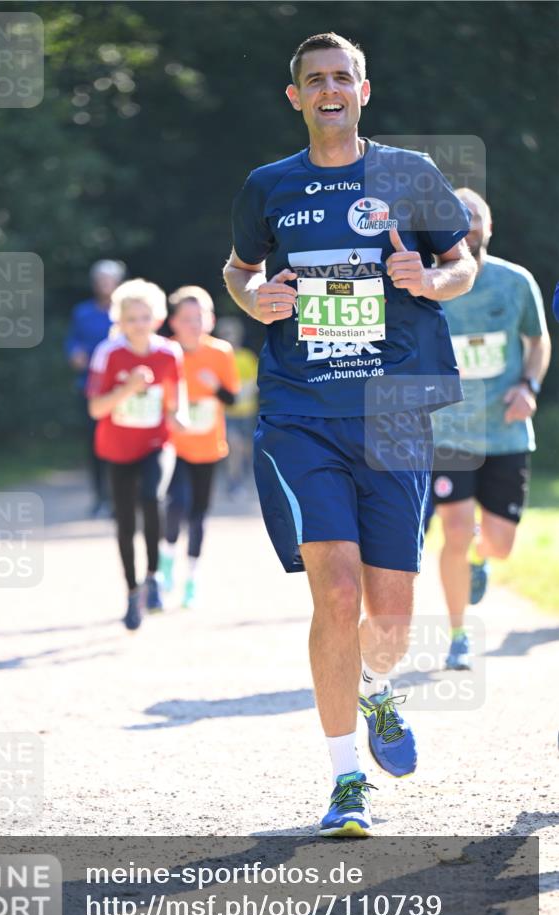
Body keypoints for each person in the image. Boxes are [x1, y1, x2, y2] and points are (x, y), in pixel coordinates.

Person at [223, 32, 476, 836]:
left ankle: (375, 683)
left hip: (394, 411)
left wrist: (429, 278)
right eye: (313, 80)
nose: (329, 89)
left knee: (391, 618)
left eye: (342, 77)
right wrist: (253, 295)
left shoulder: (409, 175)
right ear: (294, 96)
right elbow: (237, 267)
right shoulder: (268, 185)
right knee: (333, 592)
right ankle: (343, 783)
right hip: (301, 412)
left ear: (363, 90)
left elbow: (460, 263)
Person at [430, 189, 551, 669]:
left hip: (504, 431)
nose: (469, 224)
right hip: (449, 430)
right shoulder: (430, 282)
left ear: (490, 227)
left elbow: (538, 341)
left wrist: (530, 385)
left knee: (499, 544)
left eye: (476, 216)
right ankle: (458, 634)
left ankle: (481, 557)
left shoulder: (514, 282)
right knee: (454, 530)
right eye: (459, 219)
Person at [87, 279, 184, 630]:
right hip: (117, 449)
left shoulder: (169, 353)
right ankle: (131, 592)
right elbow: (96, 409)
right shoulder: (108, 353)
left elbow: (176, 398)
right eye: (132, 318)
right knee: (125, 523)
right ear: (120, 320)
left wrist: (180, 418)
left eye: (145, 316)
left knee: (152, 496)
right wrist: (127, 388)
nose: (139, 324)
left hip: (157, 443)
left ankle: (154, 576)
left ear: (157, 318)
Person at [159, 287, 240, 608]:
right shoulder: (166, 352)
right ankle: (166, 564)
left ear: (211, 319)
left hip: (208, 445)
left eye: (199, 317)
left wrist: (215, 387)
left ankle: (191, 576)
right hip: (173, 445)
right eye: (186, 319)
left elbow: (233, 399)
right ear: (173, 322)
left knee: (199, 513)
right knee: (175, 504)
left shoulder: (221, 353)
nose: (193, 324)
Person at [65, 260, 126, 515]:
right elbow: (72, 341)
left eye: (109, 280)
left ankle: (122, 497)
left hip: (123, 390)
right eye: (100, 280)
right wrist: (74, 353)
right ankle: (101, 497)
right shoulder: (82, 312)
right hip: (91, 388)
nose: (105, 285)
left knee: (124, 445)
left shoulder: (127, 313)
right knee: (95, 444)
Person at [216, 317, 259, 498]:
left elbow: (257, 383)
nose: (229, 337)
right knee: (234, 446)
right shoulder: (217, 357)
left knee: (246, 448)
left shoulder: (247, 357)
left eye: (232, 333)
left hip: (247, 413)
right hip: (226, 413)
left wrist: (245, 390)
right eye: (225, 334)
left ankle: (243, 475)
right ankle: (234, 481)